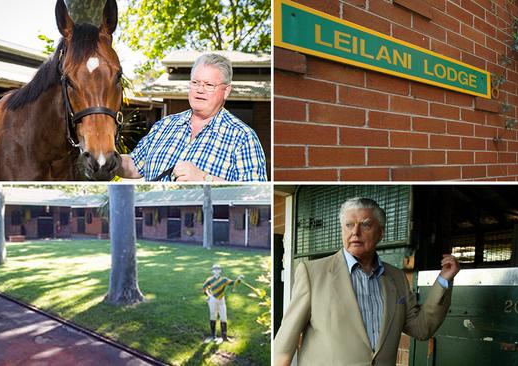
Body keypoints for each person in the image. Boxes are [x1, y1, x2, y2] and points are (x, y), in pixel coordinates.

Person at [274, 197, 460, 366]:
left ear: (380, 233)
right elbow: (285, 344)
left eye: (365, 225)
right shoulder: (312, 273)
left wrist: (443, 281)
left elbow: (421, 329)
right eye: (348, 225)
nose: (355, 232)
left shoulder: (396, 278)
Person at [118, 53, 267, 181]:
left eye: (209, 85)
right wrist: (105, 159)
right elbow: (133, 165)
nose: (200, 90)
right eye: (195, 82)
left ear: (226, 91)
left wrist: (204, 178)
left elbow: (255, 192)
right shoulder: (163, 125)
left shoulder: (242, 137)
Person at [202, 263, 243, 344]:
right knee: (213, 315)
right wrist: (209, 295)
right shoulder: (209, 280)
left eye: (218, 269)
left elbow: (233, 283)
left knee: (223, 316)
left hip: (221, 299)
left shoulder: (224, 279)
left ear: (220, 270)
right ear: (212, 271)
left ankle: (224, 336)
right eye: (215, 269)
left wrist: (238, 279)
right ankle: (213, 335)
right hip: (213, 299)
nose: (216, 271)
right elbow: (204, 288)